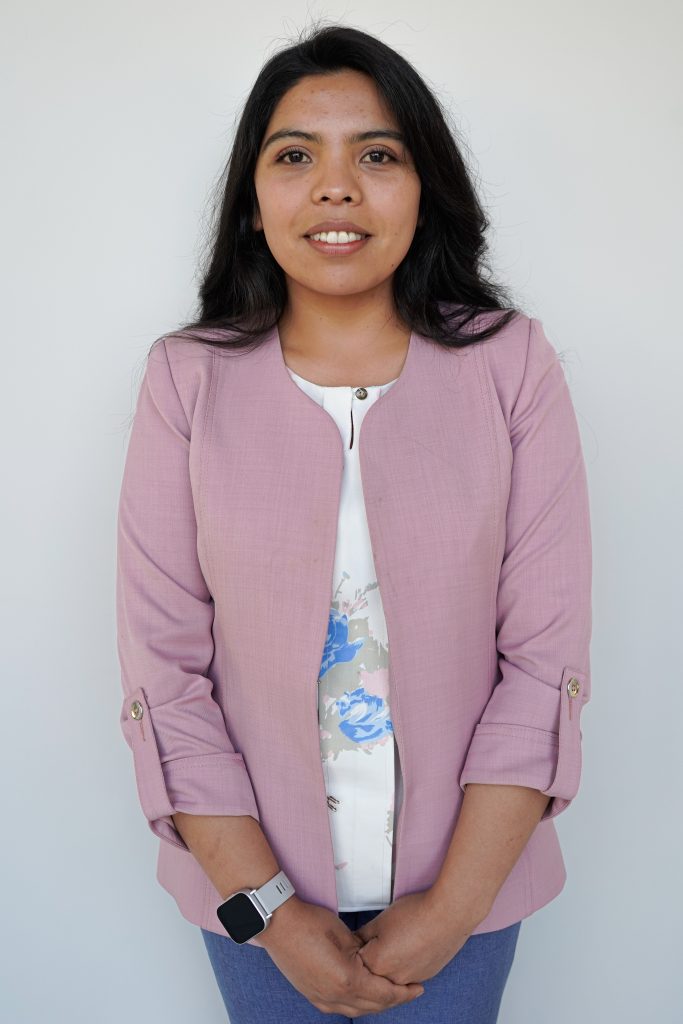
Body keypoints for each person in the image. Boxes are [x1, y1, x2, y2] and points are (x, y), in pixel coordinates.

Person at [115, 20, 592, 1023]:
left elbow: (541, 661)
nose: (336, 188)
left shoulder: (511, 366)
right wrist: (272, 917)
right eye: (295, 157)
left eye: (377, 155)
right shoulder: (185, 381)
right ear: (252, 203)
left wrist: (452, 910)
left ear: (426, 189)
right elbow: (165, 677)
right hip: (255, 899)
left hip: (467, 895)